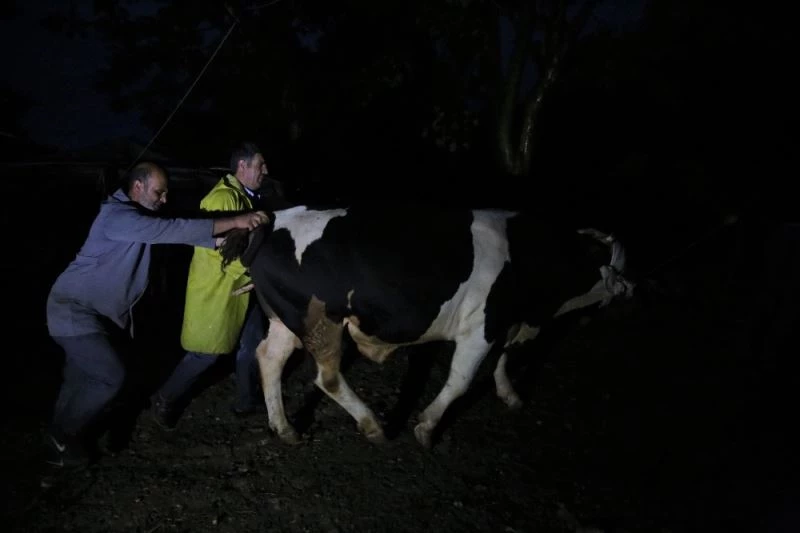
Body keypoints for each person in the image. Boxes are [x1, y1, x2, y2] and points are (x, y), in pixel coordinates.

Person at [44, 161, 268, 474]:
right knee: (110, 375)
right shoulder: (116, 215)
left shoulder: (141, 217)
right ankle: (61, 435)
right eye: (158, 192)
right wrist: (237, 219)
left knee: (79, 379)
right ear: (137, 187)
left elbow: (181, 233)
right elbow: (172, 229)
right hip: (73, 310)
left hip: (99, 315)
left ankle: (57, 448)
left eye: (165, 193)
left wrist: (221, 240)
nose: (164, 199)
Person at [151, 142, 273, 429]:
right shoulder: (222, 199)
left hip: (241, 291)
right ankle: (164, 398)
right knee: (204, 354)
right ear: (242, 167)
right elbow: (224, 255)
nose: (265, 171)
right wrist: (257, 273)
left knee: (252, 342)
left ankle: (247, 400)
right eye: (260, 165)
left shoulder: (243, 197)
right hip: (217, 293)